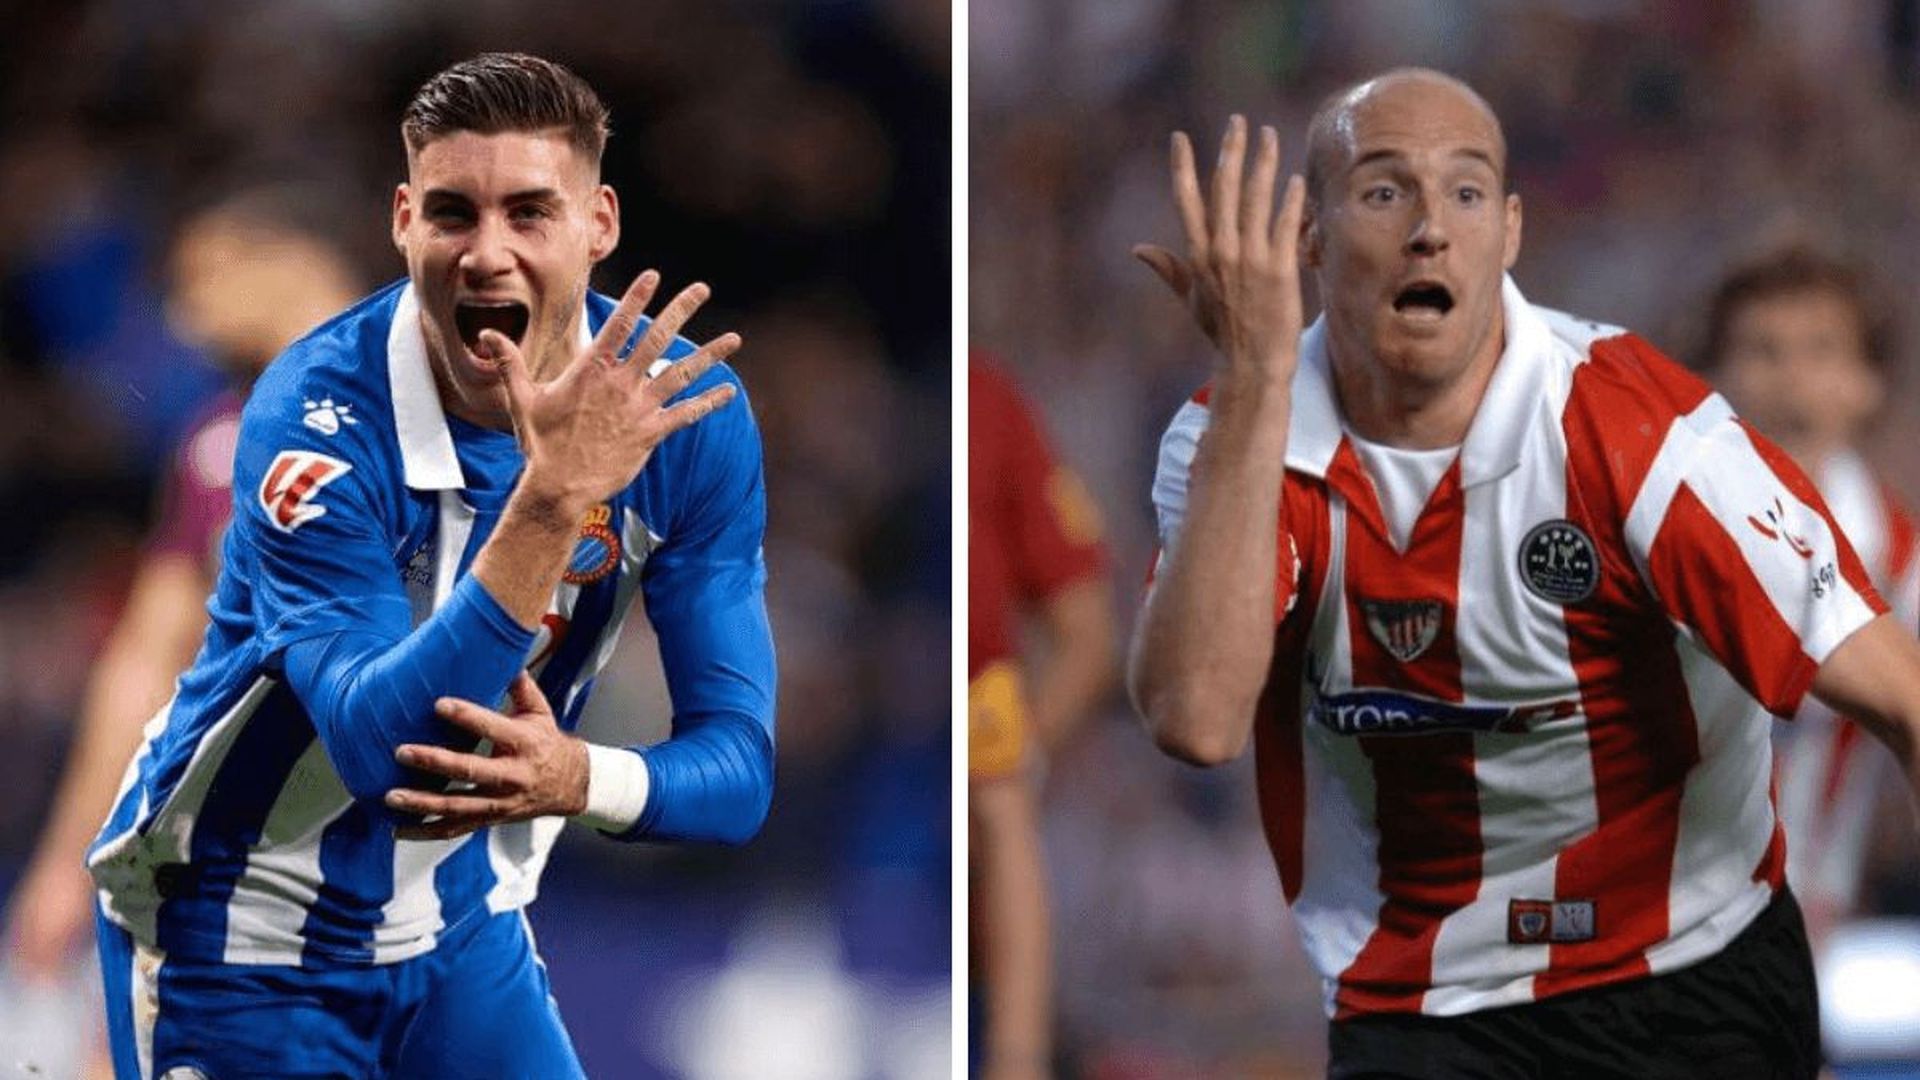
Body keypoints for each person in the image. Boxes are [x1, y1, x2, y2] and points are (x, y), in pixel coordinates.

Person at [1127, 68, 1920, 1079]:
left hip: (1694, 981)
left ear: (1509, 232)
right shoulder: (1233, 439)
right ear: (1310, 243)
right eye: (1383, 190)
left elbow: (1907, 697)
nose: (1428, 228)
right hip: (1419, 1003)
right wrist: (1253, 382)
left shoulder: (1650, 442)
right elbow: (1194, 718)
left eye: (1464, 192)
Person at [85, 53, 774, 1079]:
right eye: (453, 214)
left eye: (531, 213)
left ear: (601, 224)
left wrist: (579, 776)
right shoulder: (312, 419)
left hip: (458, 926)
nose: (486, 256)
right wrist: (550, 501)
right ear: (403, 220)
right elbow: (380, 750)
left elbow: (739, 774)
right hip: (237, 931)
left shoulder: (679, 423)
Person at [1698, 245, 1920, 942]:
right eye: (1762, 349)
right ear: (1708, 377)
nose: (1791, 377)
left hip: (1814, 924)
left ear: (1868, 383)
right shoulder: (1647, 538)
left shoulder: (1901, 559)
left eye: (1822, 351)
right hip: (1654, 916)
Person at [968, 350, 1114, 1079]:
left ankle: (1016, 1062)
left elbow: (1086, 631)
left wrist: (1024, 750)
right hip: (889, 731)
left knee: (1000, 798)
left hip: (977, 719)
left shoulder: (990, 401)